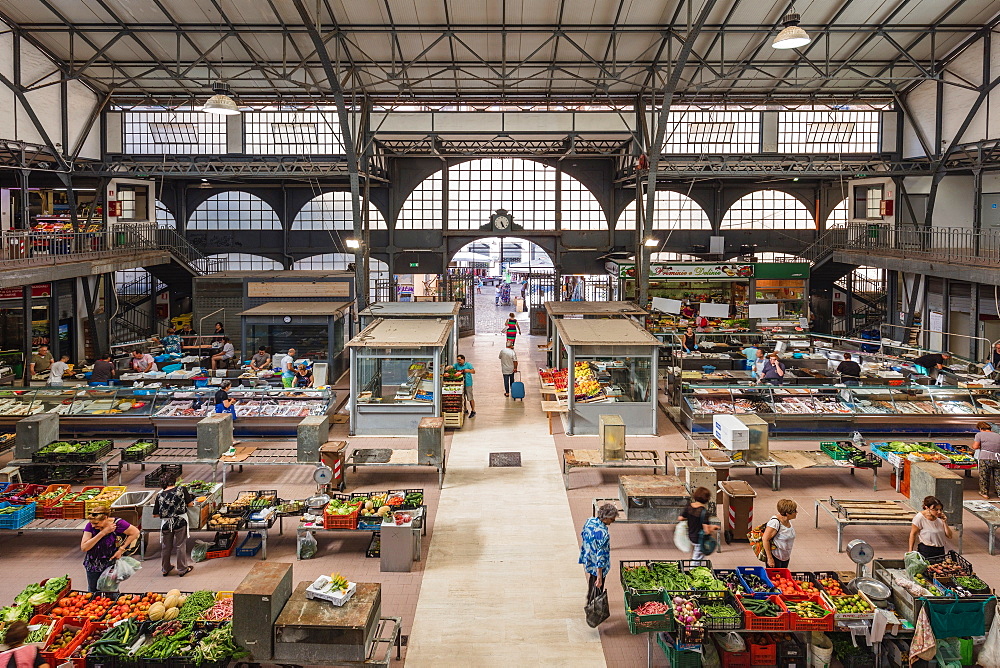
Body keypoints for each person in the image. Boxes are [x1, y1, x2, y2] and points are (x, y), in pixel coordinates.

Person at [80, 505, 140, 593]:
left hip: (111, 562)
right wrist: (103, 533)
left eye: (96, 523)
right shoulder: (90, 526)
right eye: (91, 523)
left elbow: (135, 532)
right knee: (93, 591)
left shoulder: (118, 523)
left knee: (111, 590)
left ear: (105, 518)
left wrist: (121, 549)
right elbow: (84, 547)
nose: (93, 526)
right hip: (93, 563)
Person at [152, 474, 194, 577]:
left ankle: (165, 569)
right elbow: (190, 504)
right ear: (174, 481)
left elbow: (155, 514)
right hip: (180, 522)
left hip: (166, 524)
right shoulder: (181, 489)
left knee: (166, 547)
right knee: (180, 545)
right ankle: (182, 569)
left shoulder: (159, 495)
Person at [579, 503, 617, 601]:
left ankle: (590, 598)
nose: (613, 520)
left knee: (592, 580)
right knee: (597, 585)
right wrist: (599, 576)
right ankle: (593, 607)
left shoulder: (590, 521)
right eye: (612, 518)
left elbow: (583, 534)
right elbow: (600, 557)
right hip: (597, 564)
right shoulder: (604, 534)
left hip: (589, 558)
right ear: (605, 518)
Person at [680, 487, 718, 563]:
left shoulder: (689, 507)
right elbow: (706, 531)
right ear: (707, 499)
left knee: (698, 555)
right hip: (699, 538)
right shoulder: (703, 512)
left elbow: (680, 518)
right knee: (697, 558)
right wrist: (713, 527)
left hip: (691, 535)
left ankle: (697, 567)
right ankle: (693, 570)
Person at [762, 499, 798, 568]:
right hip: (776, 557)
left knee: (783, 577)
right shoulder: (775, 523)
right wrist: (770, 558)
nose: (796, 512)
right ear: (787, 514)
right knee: (774, 578)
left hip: (785, 556)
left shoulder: (787, 520)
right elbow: (765, 539)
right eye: (794, 511)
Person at [972, 421, 1000, 499]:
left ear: (981, 428)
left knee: (984, 476)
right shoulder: (998, 435)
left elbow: (975, 446)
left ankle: (984, 493)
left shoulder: (979, 434)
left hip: (985, 457)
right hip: (997, 458)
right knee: (998, 477)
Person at [453, 354, 476, 418]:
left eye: (460, 360)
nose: (458, 361)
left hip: (468, 384)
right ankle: (465, 409)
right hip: (460, 384)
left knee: (470, 397)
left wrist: (468, 370)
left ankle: (473, 410)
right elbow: (452, 367)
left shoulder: (468, 365)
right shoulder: (456, 365)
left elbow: (473, 371)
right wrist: (449, 367)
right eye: (457, 360)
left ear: (463, 359)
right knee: (463, 397)